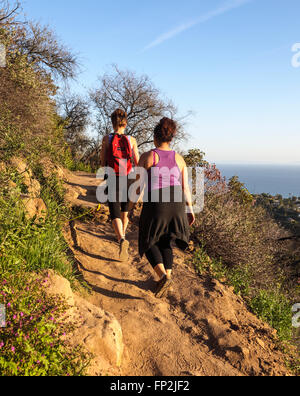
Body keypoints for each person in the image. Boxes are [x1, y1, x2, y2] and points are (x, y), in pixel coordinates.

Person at [134, 117, 195, 298]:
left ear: (155, 137)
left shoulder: (148, 157)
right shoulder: (179, 159)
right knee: (166, 241)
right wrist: (190, 209)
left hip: (157, 203)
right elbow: (185, 188)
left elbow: (137, 187)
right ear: (171, 138)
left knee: (148, 238)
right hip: (176, 204)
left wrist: (129, 207)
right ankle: (167, 276)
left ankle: (162, 277)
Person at [100, 109, 140, 261]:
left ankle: (121, 239)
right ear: (125, 122)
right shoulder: (132, 140)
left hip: (112, 176)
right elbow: (137, 161)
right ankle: (122, 235)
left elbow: (103, 161)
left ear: (112, 122)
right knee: (125, 210)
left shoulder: (106, 139)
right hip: (128, 177)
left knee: (114, 210)